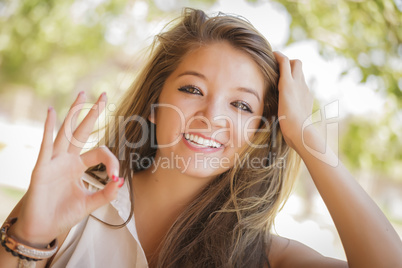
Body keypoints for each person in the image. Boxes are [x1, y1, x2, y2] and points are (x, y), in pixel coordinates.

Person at [1, 8, 401, 268]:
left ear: (259, 133)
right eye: (192, 90)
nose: (211, 118)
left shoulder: (268, 259)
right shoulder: (70, 201)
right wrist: (26, 239)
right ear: (156, 102)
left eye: (242, 106)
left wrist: (303, 131)